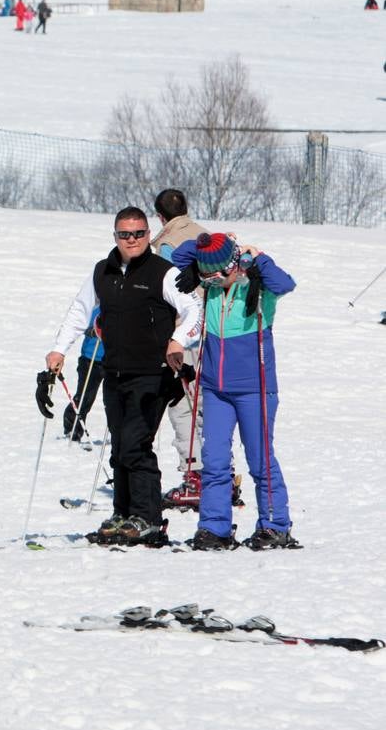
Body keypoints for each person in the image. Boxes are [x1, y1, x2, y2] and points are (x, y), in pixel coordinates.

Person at [45, 207, 201, 547]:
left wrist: (178, 340)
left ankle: (147, 517)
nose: (132, 240)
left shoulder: (164, 272)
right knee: (120, 446)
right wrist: (59, 349)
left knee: (136, 444)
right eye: (125, 234)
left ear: (148, 234)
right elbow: (79, 311)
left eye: (139, 233)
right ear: (115, 236)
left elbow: (193, 309)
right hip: (115, 371)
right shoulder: (103, 271)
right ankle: (123, 512)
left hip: (153, 374)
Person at [171, 233, 298, 551]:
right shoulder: (212, 291)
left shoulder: (258, 287)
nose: (213, 280)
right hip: (216, 390)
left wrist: (255, 257)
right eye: (207, 275)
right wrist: (208, 242)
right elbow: (177, 258)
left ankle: (274, 525)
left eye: (218, 273)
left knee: (260, 460)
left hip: (255, 390)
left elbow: (285, 284)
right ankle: (214, 527)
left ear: (234, 266)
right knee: (213, 461)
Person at [151, 188, 208, 504]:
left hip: (184, 335)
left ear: (159, 215)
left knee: (182, 406)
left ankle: (195, 477)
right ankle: (222, 476)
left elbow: (167, 294)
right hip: (213, 331)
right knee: (208, 406)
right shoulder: (205, 236)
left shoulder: (167, 245)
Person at [62, 307, 104, 442]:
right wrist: (93, 331)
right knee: (85, 397)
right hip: (91, 358)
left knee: (114, 400)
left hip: (115, 360)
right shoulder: (96, 307)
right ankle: (72, 429)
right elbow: (81, 324)